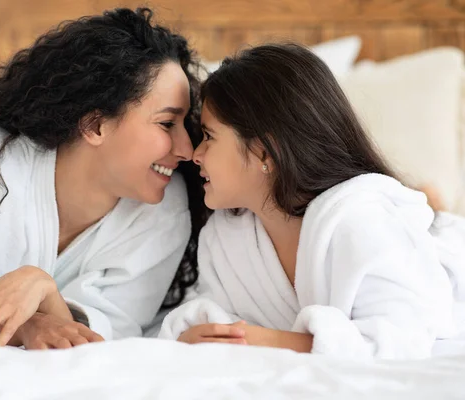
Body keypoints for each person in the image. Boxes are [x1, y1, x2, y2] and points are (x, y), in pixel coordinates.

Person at [0, 7, 209, 352]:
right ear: (95, 126)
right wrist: (28, 324)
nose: (187, 148)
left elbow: (109, 330)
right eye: (167, 124)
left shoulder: (166, 207)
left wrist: (41, 289)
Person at [159, 43, 465, 359]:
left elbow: (400, 338)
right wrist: (198, 333)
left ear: (264, 150)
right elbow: (218, 316)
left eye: (209, 137)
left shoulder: (359, 221)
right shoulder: (227, 238)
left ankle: (431, 206)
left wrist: (264, 341)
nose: (195, 154)